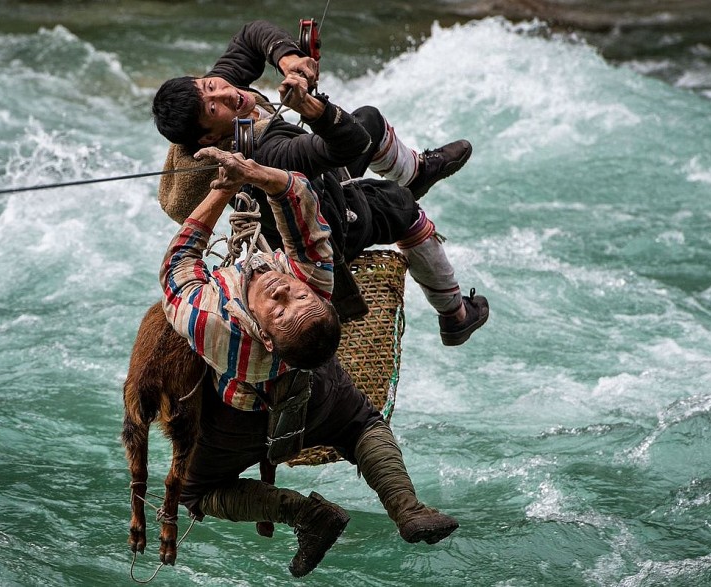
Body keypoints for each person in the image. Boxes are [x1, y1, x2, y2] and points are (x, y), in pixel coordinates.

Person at [160, 146, 460, 577]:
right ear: (320, 296)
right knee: (362, 425)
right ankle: (408, 508)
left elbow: (179, 263)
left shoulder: (214, 323)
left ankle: (306, 515)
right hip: (317, 394)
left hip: (238, 422)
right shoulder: (316, 278)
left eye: (283, 307)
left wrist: (224, 190)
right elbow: (300, 200)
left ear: (264, 334)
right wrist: (256, 173)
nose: (284, 290)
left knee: (196, 491)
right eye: (296, 296)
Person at [152, 19, 488, 346]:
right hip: (323, 228)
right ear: (209, 136)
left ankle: (417, 172)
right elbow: (348, 145)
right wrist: (313, 109)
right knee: (400, 204)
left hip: (311, 187)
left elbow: (251, 35)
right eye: (214, 107)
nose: (226, 93)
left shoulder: (223, 96)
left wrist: (289, 59)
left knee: (369, 119)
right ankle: (455, 317)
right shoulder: (266, 152)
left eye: (211, 85)